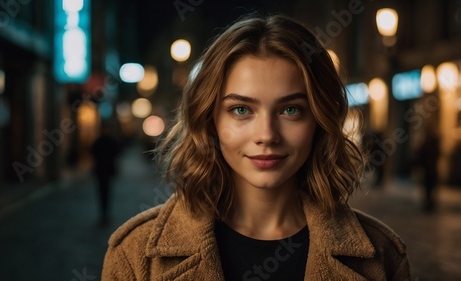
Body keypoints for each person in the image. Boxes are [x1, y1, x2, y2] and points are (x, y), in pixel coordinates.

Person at [102, 14, 411, 280]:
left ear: (319, 120)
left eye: (291, 110)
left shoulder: (382, 256)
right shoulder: (136, 254)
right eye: (241, 110)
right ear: (210, 121)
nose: (267, 135)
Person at [91, 123, 120, 226]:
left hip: (104, 170)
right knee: (103, 192)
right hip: (103, 170)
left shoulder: (102, 140)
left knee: (105, 192)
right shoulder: (105, 140)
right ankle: (104, 214)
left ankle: (105, 214)